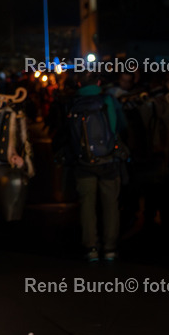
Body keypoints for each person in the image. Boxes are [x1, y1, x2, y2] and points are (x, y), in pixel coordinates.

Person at [66, 72, 128, 262]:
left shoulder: (72, 103)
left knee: (87, 205)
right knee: (110, 205)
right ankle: (110, 248)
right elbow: (121, 126)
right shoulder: (107, 100)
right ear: (99, 82)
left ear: (78, 84)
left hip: (83, 161)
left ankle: (91, 247)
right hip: (108, 160)